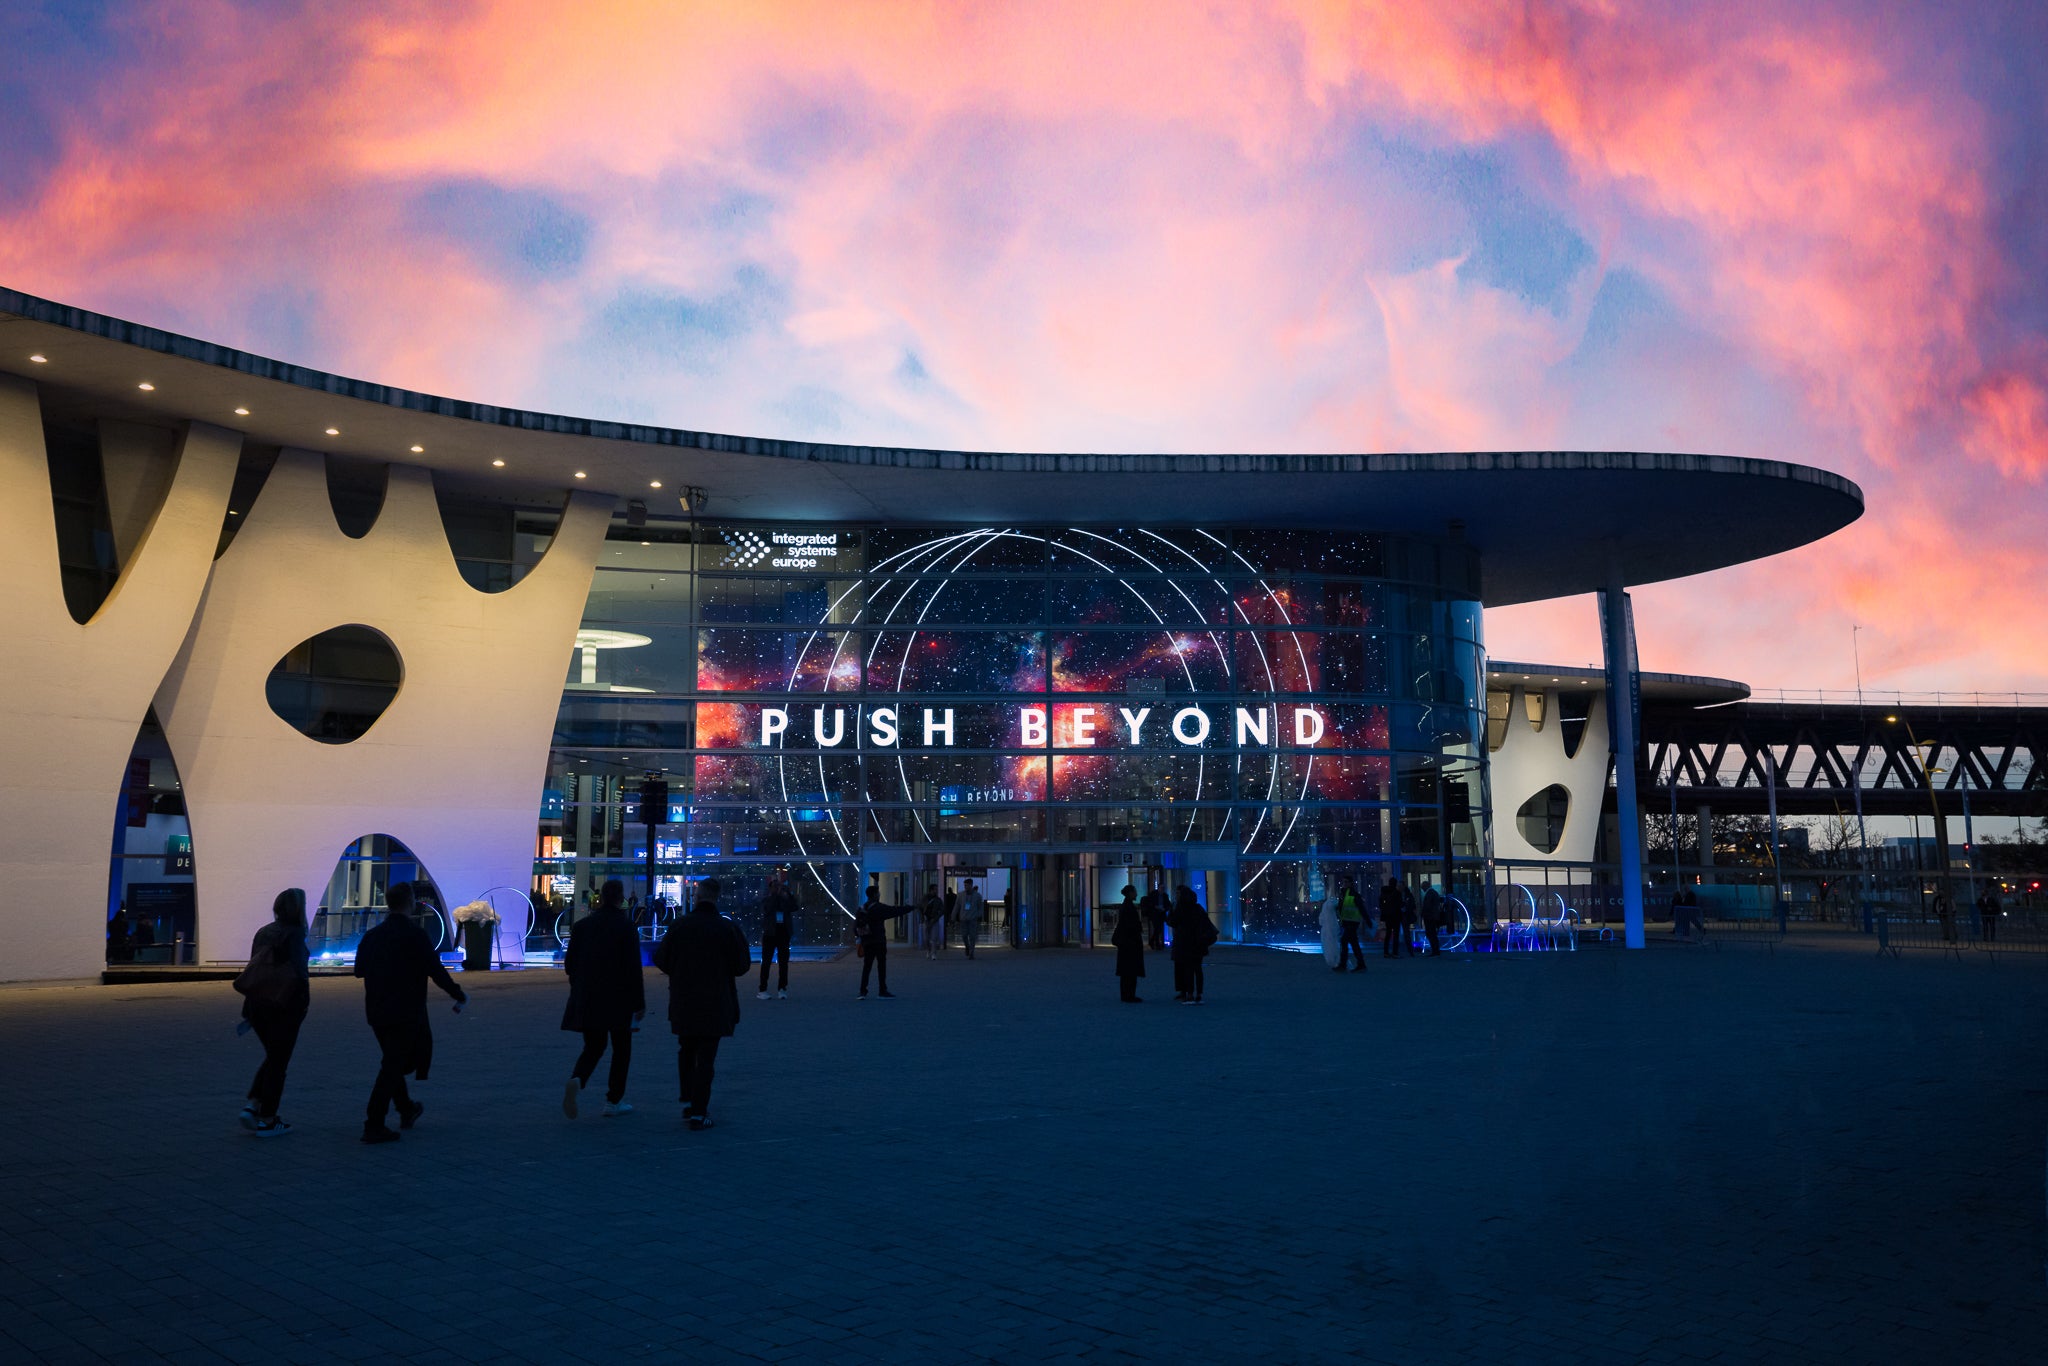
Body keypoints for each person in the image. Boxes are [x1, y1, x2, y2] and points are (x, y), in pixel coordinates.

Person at [353, 881, 467, 1145]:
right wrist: (458, 994)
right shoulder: (415, 935)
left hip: (377, 1010)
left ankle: (406, 1109)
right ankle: (374, 1123)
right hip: (406, 1011)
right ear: (410, 902)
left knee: (391, 1061)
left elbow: (359, 970)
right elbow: (436, 972)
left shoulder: (373, 936)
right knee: (392, 1066)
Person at [652, 877, 751, 1130]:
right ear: (716, 897)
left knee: (686, 1050)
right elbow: (742, 966)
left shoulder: (680, 926)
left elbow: (661, 959)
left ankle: (688, 1098)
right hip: (716, 1002)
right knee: (706, 1057)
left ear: (697, 896)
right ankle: (699, 1110)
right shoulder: (727, 928)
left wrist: (680, 969)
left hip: (684, 1000)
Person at [560, 878, 645, 1119]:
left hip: (588, 997)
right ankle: (613, 1100)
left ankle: (578, 1079)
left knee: (594, 1046)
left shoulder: (582, 926)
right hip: (619, 999)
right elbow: (633, 969)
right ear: (621, 899)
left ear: (601, 897)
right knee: (622, 1049)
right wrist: (639, 1003)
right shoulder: (626, 927)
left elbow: (569, 965)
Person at [235, 888, 311, 1137]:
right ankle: (268, 1119)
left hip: (258, 1005)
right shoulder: (296, 934)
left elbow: (255, 969)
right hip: (283, 1006)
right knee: (279, 1062)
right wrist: (303, 1005)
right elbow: (300, 974)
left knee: (273, 1057)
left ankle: (253, 1105)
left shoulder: (263, 931)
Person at [854, 884, 913, 998]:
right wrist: (910, 908)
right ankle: (882, 990)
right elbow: (895, 911)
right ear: (875, 894)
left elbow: (856, 925)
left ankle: (863, 991)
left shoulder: (862, 908)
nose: (879, 894)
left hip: (867, 941)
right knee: (881, 965)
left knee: (867, 966)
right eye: (878, 893)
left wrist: (860, 937)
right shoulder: (879, 908)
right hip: (879, 940)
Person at [1167, 885, 1217, 1003]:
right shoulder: (1198, 908)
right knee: (1197, 969)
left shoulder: (1181, 909)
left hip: (1184, 944)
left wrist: (1171, 911)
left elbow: (1172, 922)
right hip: (1198, 943)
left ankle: (1188, 993)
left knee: (1186, 969)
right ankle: (1198, 993)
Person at [757, 870, 797, 999]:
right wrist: (776, 895)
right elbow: (768, 909)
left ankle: (782, 988)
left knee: (783, 962)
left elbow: (794, 906)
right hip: (770, 932)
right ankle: (762, 989)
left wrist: (787, 894)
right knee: (766, 962)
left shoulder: (784, 899)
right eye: (775, 887)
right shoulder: (767, 900)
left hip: (783, 932)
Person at [1110, 885, 1146, 1002]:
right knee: (1130, 970)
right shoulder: (1128, 907)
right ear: (1130, 893)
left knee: (1126, 971)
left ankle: (1126, 994)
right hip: (1130, 944)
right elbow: (1131, 926)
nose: (1136, 894)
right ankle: (1129, 995)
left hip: (1126, 944)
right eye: (1135, 892)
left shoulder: (1125, 906)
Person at [1333, 878, 1369, 972]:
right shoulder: (1343, 894)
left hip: (1352, 922)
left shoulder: (1353, 895)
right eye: (1343, 882)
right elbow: (1343, 907)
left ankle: (1343, 964)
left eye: (1346, 882)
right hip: (1348, 922)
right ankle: (1361, 964)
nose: (1344, 883)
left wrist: (1368, 921)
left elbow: (1361, 909)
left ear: (1350, 883)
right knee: (1354, 943)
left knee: (1344, 941)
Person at [956, 879, 986, 958]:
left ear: (971, 885)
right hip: (963, 919)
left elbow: (980, 907)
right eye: (965, 885)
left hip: (973, 919)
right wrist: (953, 915)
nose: (966, 887)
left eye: (967, 885)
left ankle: (971, 952)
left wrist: (978, 915)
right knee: (964, 935)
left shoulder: (977, 896)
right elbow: (957, 906)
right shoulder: (961, 895)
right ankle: (967, 946)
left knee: (972, 936)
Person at [1378, 876, 1403, 959]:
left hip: (1387, 916)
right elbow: (1400, 904)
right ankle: (1395, 952)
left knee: (1388, 934)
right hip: (1396, 916)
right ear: (1395, 884)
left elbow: (1381, 904)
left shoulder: (1384, 892)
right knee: (1396, 935)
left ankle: (1386, 952)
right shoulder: (1397, 893)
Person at [919, 887, 946, 959]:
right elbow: (920, 908)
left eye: (936, 890)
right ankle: (928, 950)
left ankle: (933, 953)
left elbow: (942, 910)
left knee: (933, 938)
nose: (936, 891)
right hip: (926, 920)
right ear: (931, 890)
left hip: (934, 920)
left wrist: (936, 917)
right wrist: (922, 918)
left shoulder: (938, 900)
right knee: (926, 938)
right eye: (935, 890)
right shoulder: (924, 899)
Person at [1419, 882, 1445, 956]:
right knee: (1432, 934)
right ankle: (1435, 950)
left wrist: (1423, 914)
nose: (1422, 888)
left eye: (1422, 887)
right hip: (1432, 917)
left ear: (1426, 886)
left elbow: (1427, 906)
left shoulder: (1430, 894)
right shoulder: (1433, 893)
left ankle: (1435, 950)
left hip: (1430, 917)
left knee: (1431, 934)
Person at [1141, 885, 1168, 951]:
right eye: (1161, 888)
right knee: (1157, 928)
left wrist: (1164, 908)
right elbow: (1149, 903)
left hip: (1161, 914)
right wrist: (1156, 907)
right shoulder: (1153, 894)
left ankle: (1152, 942)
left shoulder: (1165, 895)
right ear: (1158, 888)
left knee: (1158, 929)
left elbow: (1167, 904)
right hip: (1154, 914)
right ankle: (1156, 944)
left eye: (1163, 888)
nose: (1162, 889)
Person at [1398, 883, 1419, 956]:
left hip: (1404, 916)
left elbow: (1412, 905)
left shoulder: (1406, 895)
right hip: (1404, 916)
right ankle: (1409, 950)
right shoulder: (1407, 895)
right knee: (1406, 933)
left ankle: (1409, 950)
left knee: (1406, 933)